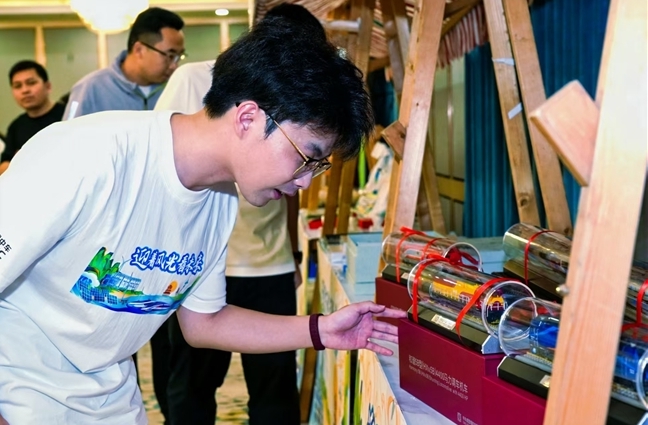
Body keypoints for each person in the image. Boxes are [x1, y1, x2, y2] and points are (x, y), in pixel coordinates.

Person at [0, 4, 405, 425]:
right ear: (248, 118)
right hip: (19, 392)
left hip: (108, 398)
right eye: (307, 156)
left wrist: (321, 330)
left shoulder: (219, 200)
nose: (305, 182)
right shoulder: (86, 156)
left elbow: (204, 323)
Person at [153, 7, 322, 424]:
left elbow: (293, 183)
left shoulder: (301, 99)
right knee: (191, 386)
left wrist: (293, 253)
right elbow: (164, 165)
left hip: (268, 263)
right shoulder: (195, 79)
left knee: (274, 387)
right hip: (201, 260)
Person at [63, 7, 185, 120]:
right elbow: (67, 134)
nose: (174, 66)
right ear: (139, 50)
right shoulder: (90, 89)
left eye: (179, 57)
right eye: (170, 56)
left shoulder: (176, 89)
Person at [0, 60, 64, 175]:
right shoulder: (16, 126)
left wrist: (22, 160)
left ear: (48, 86)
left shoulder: (68, 116)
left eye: (31, 83)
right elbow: (4, 166)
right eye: (17, 86)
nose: (25, 90)